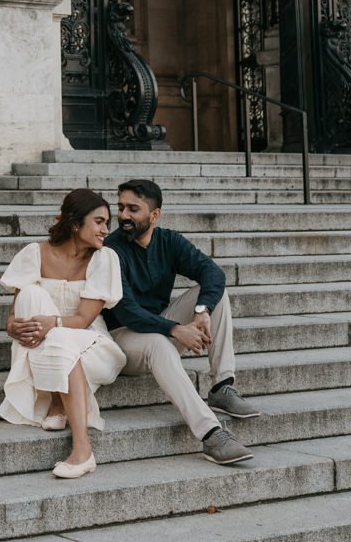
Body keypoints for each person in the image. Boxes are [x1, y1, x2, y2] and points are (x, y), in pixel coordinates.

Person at [105, 178, 259, 467]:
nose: (123, 215)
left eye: (133, 209)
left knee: (215, 294)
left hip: (158, 328)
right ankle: (211, 433)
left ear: (154, 215)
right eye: (121, 207)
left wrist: (201, 311)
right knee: (157, 342)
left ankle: (222, 386)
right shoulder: (110, 250)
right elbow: (126, 310)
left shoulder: (168, 241)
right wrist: (176, 329)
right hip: (122, 339)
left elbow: (212, 272)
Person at [0, 188, 127, 479]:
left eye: (108, 222)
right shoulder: (35, 253)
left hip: (92, 346)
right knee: (31, 292)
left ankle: (82, 449)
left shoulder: (104, 258)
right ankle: (57, 398)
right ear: (75, 223)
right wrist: (11, 325)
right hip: (44, 344)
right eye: (99, 221)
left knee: (59, 337)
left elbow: (82, 320)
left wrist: (50, 325)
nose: (106, 229)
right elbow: (16, 311)